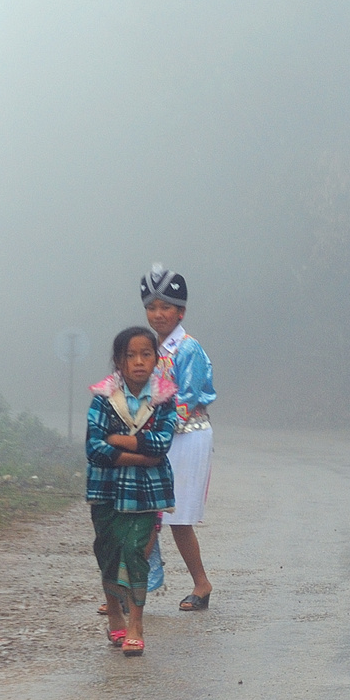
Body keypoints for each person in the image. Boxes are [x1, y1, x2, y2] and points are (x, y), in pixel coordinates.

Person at [87, 326, 177, 656]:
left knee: (136, 552)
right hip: (106, 490)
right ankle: (114, 613)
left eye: (146, 354)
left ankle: (136, 625)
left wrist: (119, 441)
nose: (139, 361)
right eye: (130, 355)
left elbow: (163, 443)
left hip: (146, 492)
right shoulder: (103, 398)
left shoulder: (165, 398)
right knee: (109, 551)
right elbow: (94, 448)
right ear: (119, 361)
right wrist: (142, 455)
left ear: (156, 359)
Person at [141, 265, 217, 612]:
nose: (158, 315)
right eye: (152, 307)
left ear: (180, 312)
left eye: (165, 308)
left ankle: (200, 584)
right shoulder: (149, 350)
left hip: (188, 438)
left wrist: (148, 428)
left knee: (176, 517)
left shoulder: (189, 349)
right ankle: (131, 586)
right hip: (159, 437)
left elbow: (184, 401)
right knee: (147, 511)